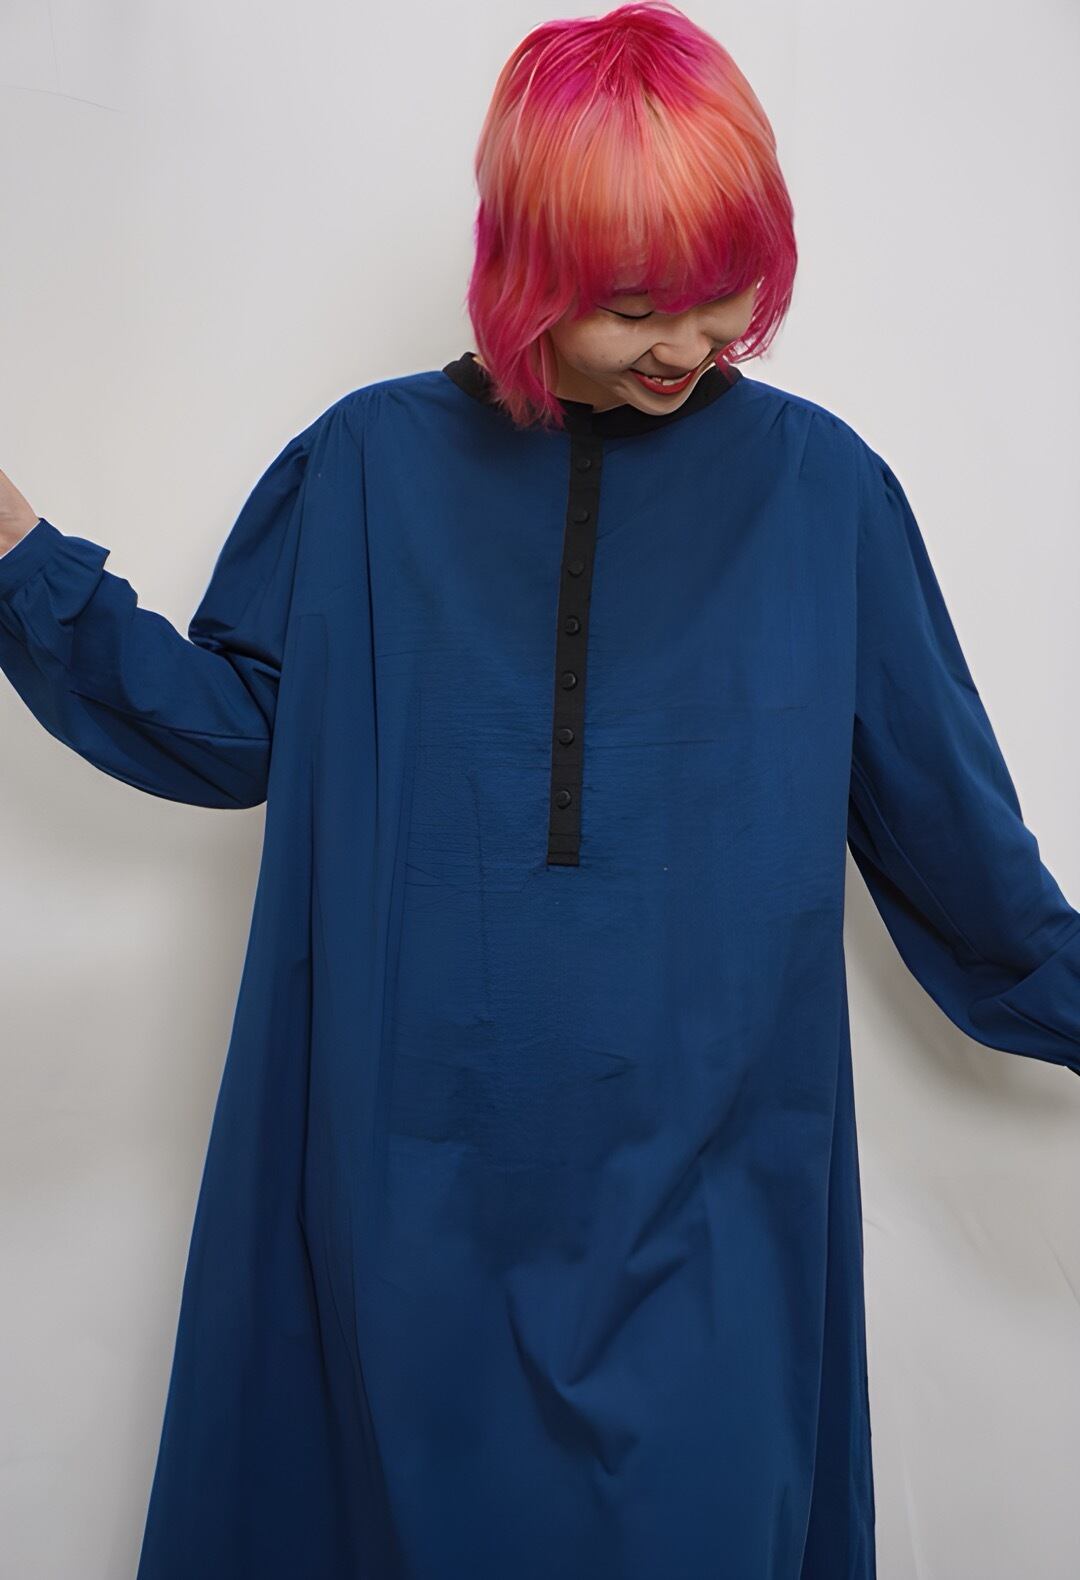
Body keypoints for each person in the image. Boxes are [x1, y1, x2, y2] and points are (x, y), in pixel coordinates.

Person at [2, 3, 1077, 1576]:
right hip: (402, 1204)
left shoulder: (823, 495)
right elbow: (226, 733)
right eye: (637, 303)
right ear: (528, 273)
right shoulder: (365, 468)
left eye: (727, 292)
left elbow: (966, 867)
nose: (688, 343)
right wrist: (19, 554)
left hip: (715, 1215)